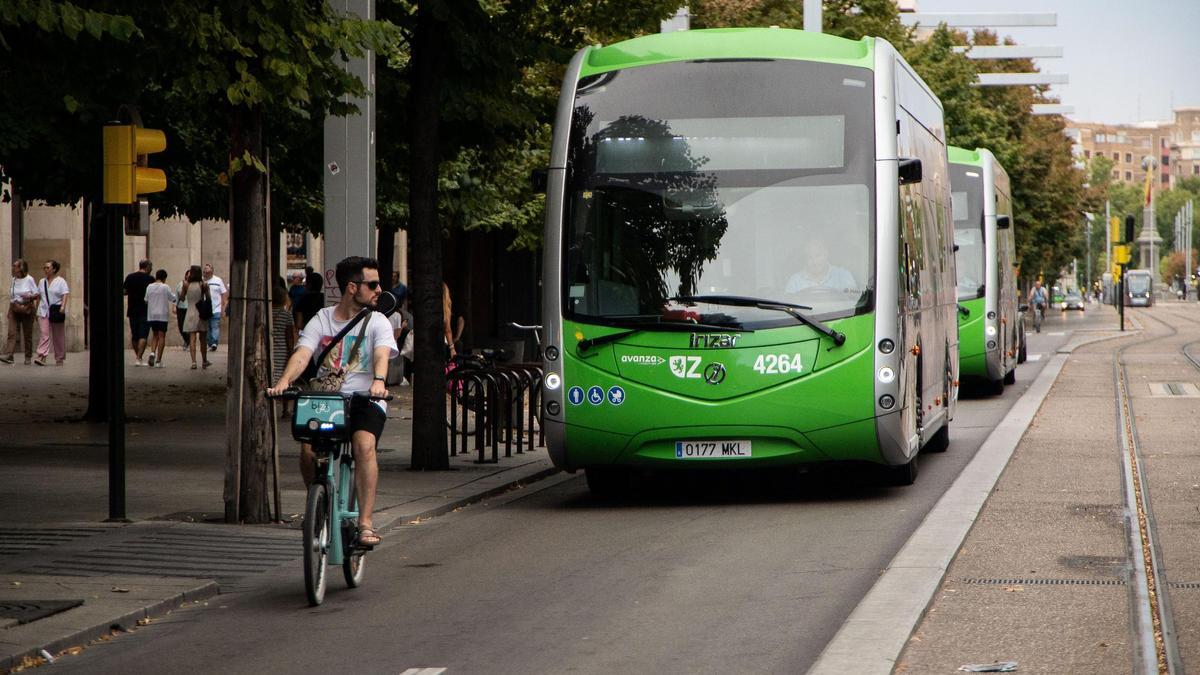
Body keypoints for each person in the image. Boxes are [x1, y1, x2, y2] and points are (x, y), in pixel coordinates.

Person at [269, 256, 397, 547]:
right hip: (327, 399)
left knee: (364, 445)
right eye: (373, 284)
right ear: (352, 287)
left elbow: (380, 353)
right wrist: (284, 381)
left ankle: (365, 523)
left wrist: (378, 380)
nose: (379, 290)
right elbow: (303, 352)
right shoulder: (323, 319)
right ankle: (319, 501)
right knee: (307, 452)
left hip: (366, 398)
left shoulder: (378, 321)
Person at [1, 259, 39, 365]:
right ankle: (9, 355)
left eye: (15, 266)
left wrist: (29, 296)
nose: (12, 268)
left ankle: (28, 356)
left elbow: (37, 294)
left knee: (27, 334)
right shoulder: (13, 280)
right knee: (11, 332)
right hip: (14, 308)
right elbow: (12, 296)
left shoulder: (29, 279)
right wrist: (9, 310)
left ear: (21, 268)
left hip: (27, 309)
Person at [785, 239, 857, 293]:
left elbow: (854, 301)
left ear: (826, 254)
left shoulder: (843, 275)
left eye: (818, 256)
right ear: (805, 259)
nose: (814, 261)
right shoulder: (795, 281)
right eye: (810, 257)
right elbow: (788, 305)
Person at [35, 259, 69, 366]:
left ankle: (59, 358)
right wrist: (37, 310)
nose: (45, 269)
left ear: (54, 269)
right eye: (44, 267)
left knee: (58, 335)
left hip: (55, 311)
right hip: (43, 310)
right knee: (44, 334)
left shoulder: (61, 281)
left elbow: (65, 294)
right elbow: (39, 296)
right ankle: (42, 355)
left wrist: (63, 306)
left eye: (48, 267)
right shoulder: (41, 281)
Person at [124, 259, 154, 366]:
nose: (152, 269)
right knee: (143, 335)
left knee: (135, 334)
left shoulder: (130, 277)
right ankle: (139, 357)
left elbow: (124, 291)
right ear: (147, 267)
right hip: (145, 310)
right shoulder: (150, 279)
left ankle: (138, 357)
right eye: (151, 266)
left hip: (132, 310)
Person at [144, 269, 177, 368]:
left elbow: (146, 300)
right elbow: (172, 298)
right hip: (162, 315)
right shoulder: (165, 287)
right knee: (162, 336)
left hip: (152, 315)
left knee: (155, 335)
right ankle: (158, 360)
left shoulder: (149, 287)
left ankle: (152, 353)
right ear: (164, 278)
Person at [182, 265, 212, 370]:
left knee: (192, 339)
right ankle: (204, 361)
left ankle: (193, 362)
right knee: (203, 339)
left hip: (190, 312)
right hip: (200, 313)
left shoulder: (186, 284)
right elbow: (208, 298)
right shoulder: (203, 284)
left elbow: (181, 298)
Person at [270, 276, 295, 386]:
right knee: (281, 371)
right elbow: (289, 336)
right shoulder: (287, 315)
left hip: (269, 349)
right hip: (282, 350)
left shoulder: (266, 314)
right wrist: (291, 352)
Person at [203, 263, 227, 352]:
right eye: (204, 270)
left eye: (207, 270)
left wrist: (223, 308)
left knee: (215, 326)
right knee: (207, 327)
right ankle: (210, 343)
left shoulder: (218, 280)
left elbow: (224, 294)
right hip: (205, 309)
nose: (205, 271)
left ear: (212, 271)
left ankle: (214, 343)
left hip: (216, 308)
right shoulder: (202, 281)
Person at [175, 270, 189, 348]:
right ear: (185, 275)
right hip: (180, 307)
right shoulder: (180, 284)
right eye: (188, 274)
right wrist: (175, 305)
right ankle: (186, 339)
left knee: (188, 327)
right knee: (181, 326)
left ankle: (188, 342)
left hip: (189, 308)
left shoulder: (193, 285)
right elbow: (176, 296)